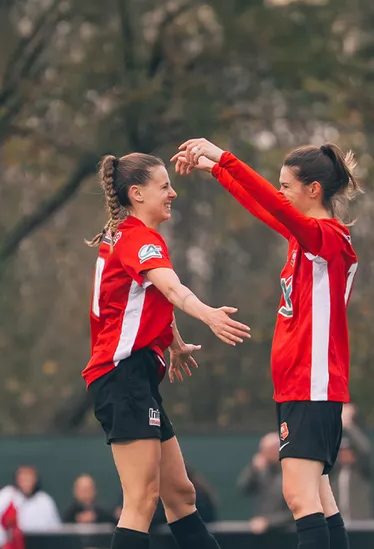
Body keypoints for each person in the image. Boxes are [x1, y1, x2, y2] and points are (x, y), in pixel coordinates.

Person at [174, 138, 360, 549]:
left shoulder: (327, 238)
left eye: (287, 185)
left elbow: (272, 206)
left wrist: (224, 156)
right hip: (300, 384)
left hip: (312, 385)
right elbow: (264, 207)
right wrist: (217, 171)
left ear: (314, 189)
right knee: (321, 500)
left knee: (299, 497)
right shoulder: (305, 239)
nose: (280, 193)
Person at [83, 153, 251, 549]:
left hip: (135, 376)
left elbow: (145, 298)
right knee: (141, 502)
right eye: (164, 187)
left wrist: (172, 341)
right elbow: (172, 289)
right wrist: (209, 314)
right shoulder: (138, 240)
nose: (173, 193)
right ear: (136, 193)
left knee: (181, 496)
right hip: (121, 377)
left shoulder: (125, 234)